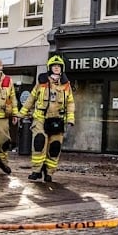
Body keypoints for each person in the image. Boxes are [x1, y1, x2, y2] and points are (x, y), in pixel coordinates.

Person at [15, 54, 74, 182]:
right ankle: (36, 170)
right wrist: (20, 114)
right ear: (50, 68)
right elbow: (31, 99)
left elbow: (70, 103)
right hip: (41, 118)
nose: (57, 68)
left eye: (59, 66)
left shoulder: (66, 85)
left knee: (54, 147)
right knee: (39, 143)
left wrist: (70, 119)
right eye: (54, 66)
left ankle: (49, 172)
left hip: (58, 120)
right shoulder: (41, 83)